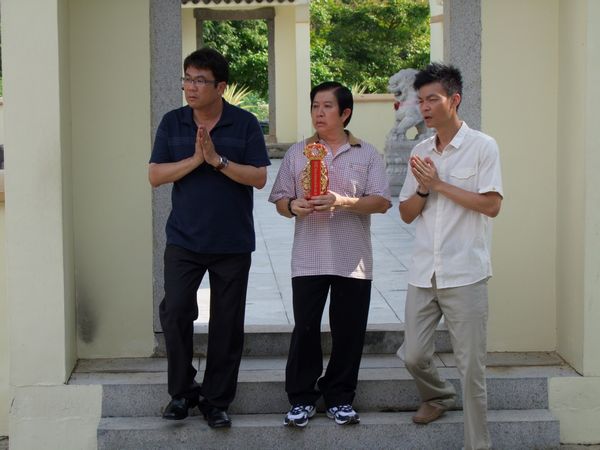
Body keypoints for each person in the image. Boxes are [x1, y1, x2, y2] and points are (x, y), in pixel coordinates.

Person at [148, 48, 270, 428]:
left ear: (221, 87)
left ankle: (216, 400)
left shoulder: (244, 123)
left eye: (200, 80)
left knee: (227, 324)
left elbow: (259, 177)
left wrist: (218, 161)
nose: (191, 87)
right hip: (184, 240)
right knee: (175, 311)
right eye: (187, 79)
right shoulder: (173, 122)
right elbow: (155, 175)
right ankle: (182, 392)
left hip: (232, 241)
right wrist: (196, 160)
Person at [269, 81, 391, 428]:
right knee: (305, 328)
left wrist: (343, 201)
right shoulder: (298, 153)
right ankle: (301, 398)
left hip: (353, 259)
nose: (318, 113)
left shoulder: (367, 154)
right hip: (308, 257)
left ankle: (339, 398)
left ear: (345, 113)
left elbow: (382, 201)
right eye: (314, 106)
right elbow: (280, 199)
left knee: (349, 331)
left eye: (326, 106)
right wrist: (293, 206)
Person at [398, 63, 503, 450]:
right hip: (424, 272)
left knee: (471, 369)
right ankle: (439, 395)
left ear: (454, 100)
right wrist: (424, 190)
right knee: (413, 355)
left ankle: (477, 445)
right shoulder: (419, 151)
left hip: (465, 273)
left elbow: (491, 205)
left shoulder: (482, 147)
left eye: (432, 99)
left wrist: (439, 184)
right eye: (420, 100)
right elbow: (406, 213)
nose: (424, 107)